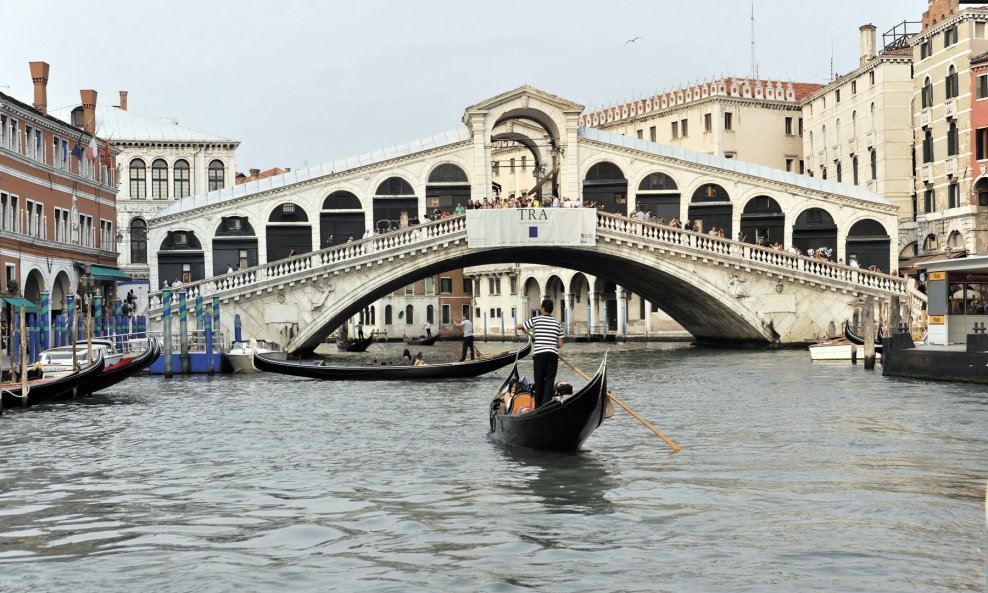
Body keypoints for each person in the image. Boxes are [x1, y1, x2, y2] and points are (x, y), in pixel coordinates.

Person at [517, 298, 564, 409]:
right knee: (550, 380)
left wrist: (524, 328)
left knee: (539, 380)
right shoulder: (558, 323)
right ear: (551, 310)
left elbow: (518, 326)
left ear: (542, 309)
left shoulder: (536, 320)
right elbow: (560, 344)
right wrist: (551, 344)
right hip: (552, 354)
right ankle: (546, 404)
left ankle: (538, 406)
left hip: (539, 355)